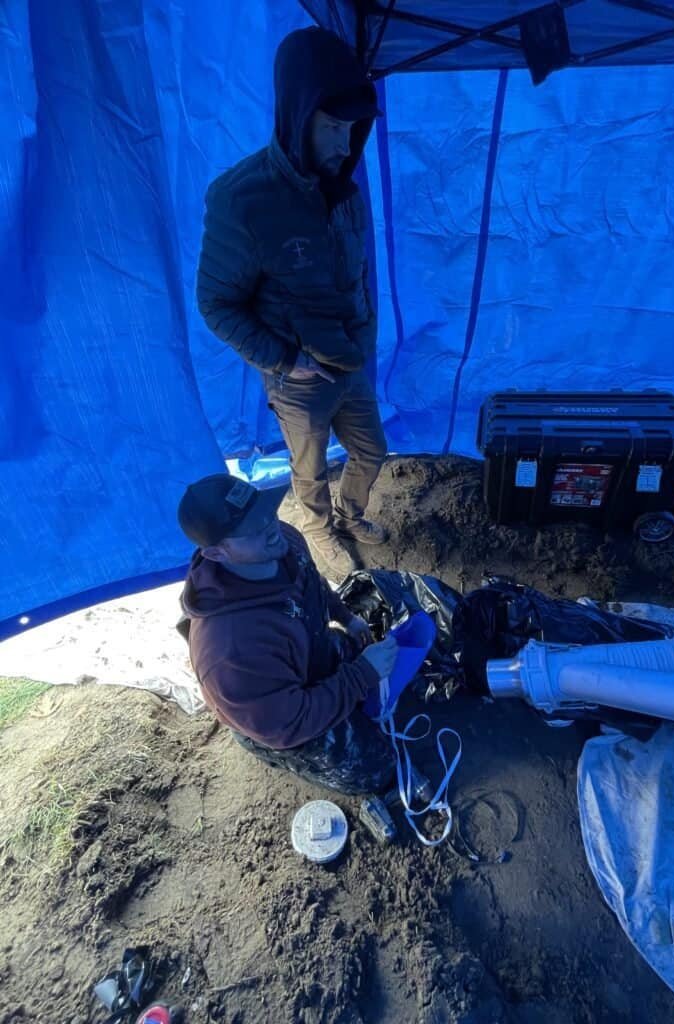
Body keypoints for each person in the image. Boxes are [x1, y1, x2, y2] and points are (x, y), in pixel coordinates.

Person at [196, 26, 388, 582]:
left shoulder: (343, 186)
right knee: (309, 473)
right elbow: (217, 304)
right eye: (331, 128)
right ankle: (321, 531)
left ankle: (350, 518)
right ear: (296, 114)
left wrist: (361, 341)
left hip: (350, 363)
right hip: (299, 380)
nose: (344, 146)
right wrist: (287, 361)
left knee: (372, 451)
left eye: (354, 131)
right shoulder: (242, 199)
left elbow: (358, 277)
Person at [176, 473, 398, 794]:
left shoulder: (282, 541)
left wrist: (347, 618)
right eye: (251, 528)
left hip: (304, 654)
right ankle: (270, 751)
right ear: (216, 554)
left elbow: (312, 581)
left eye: (266, 511)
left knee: (364, 661)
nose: (269, 526)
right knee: (377, 770)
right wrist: (361, 674)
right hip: (274, 715)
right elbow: (288, 722)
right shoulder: (231, 649)